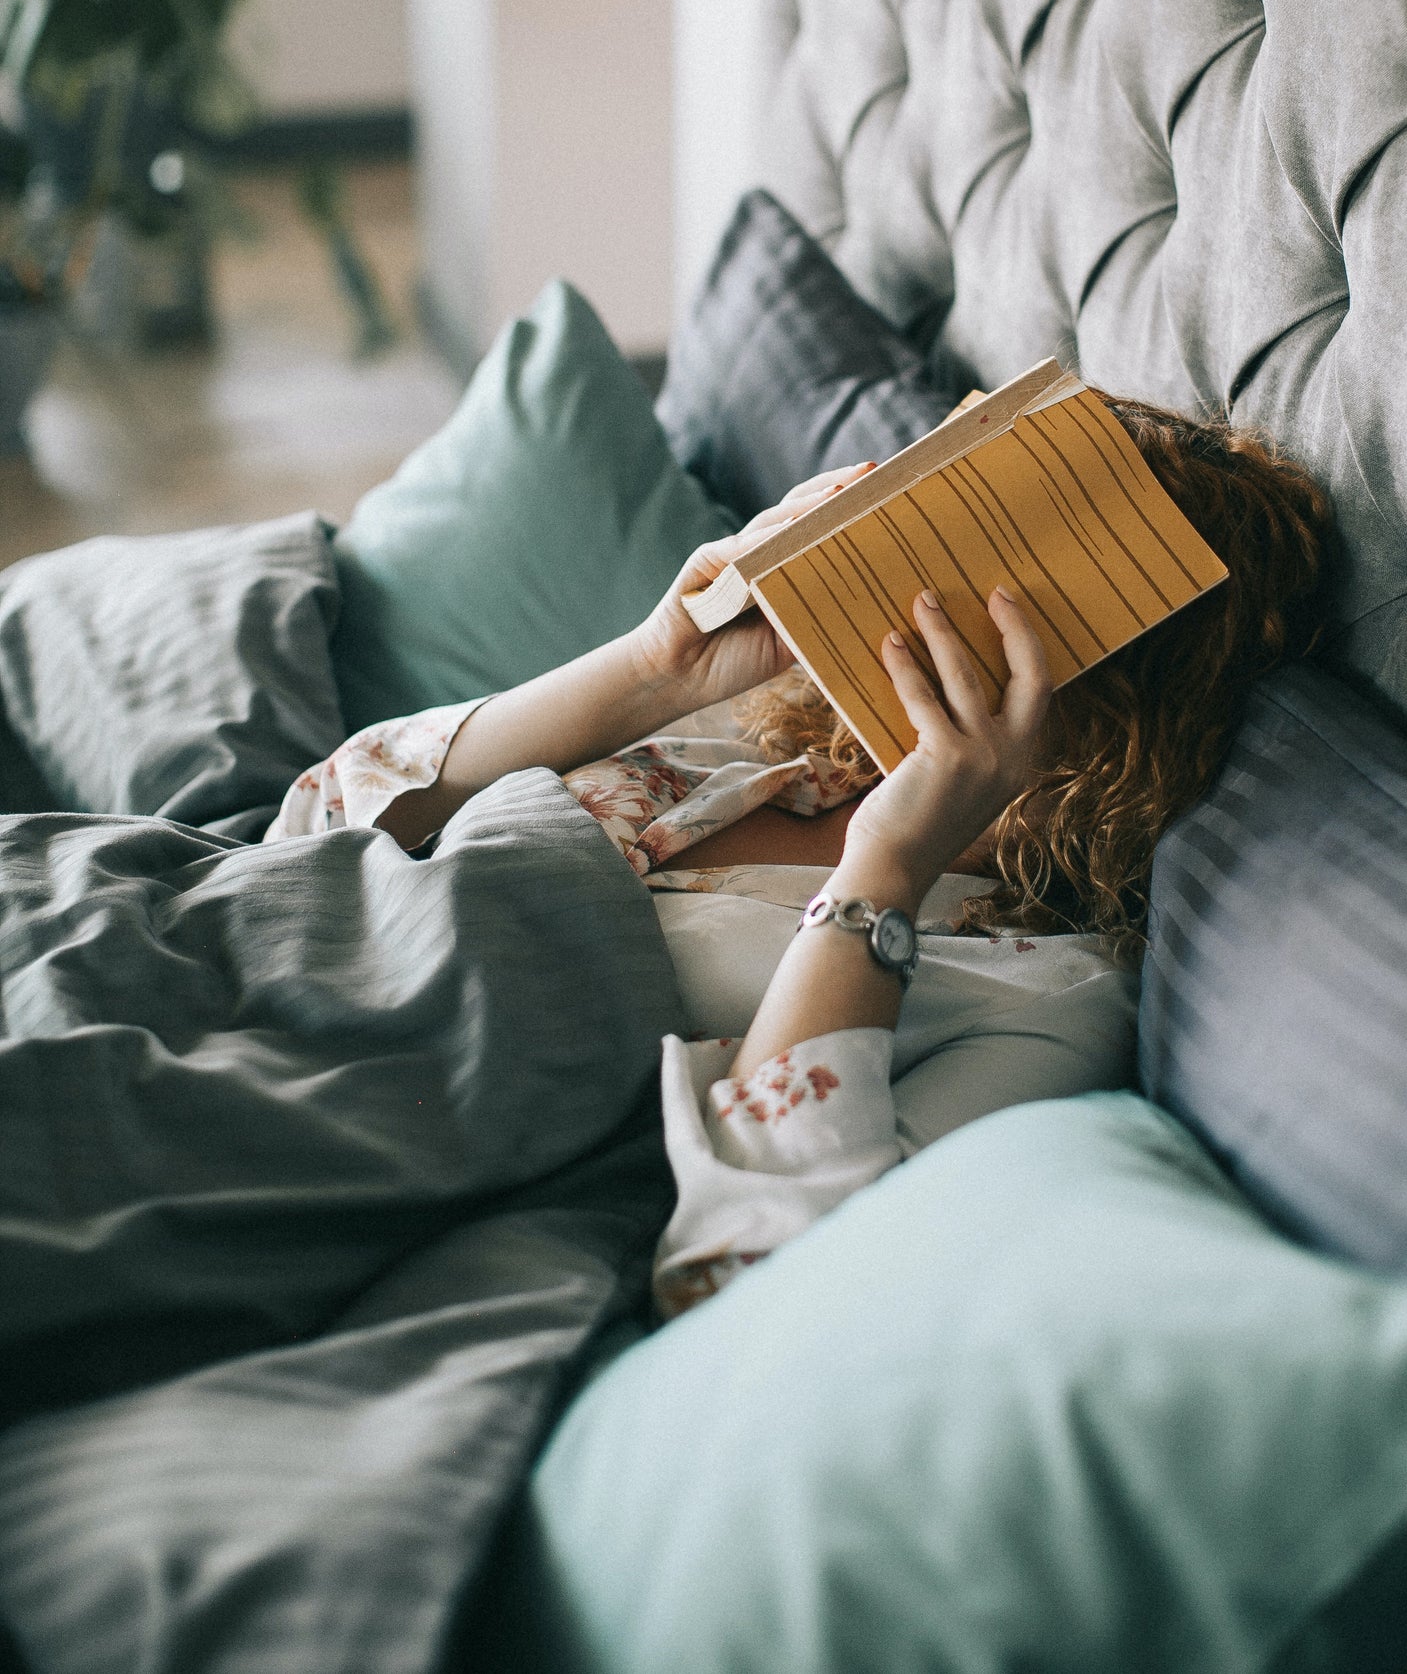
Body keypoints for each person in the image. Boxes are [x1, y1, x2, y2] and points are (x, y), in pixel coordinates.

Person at [269, 396, 1332, 1315]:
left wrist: (887, 866)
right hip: (242, 948)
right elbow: (327, 815)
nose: (919, 601)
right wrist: (653, 671)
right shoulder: (780, 740)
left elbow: (752, 1268)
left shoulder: (1048, 998)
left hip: (340, 1121)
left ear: (1120, 701)